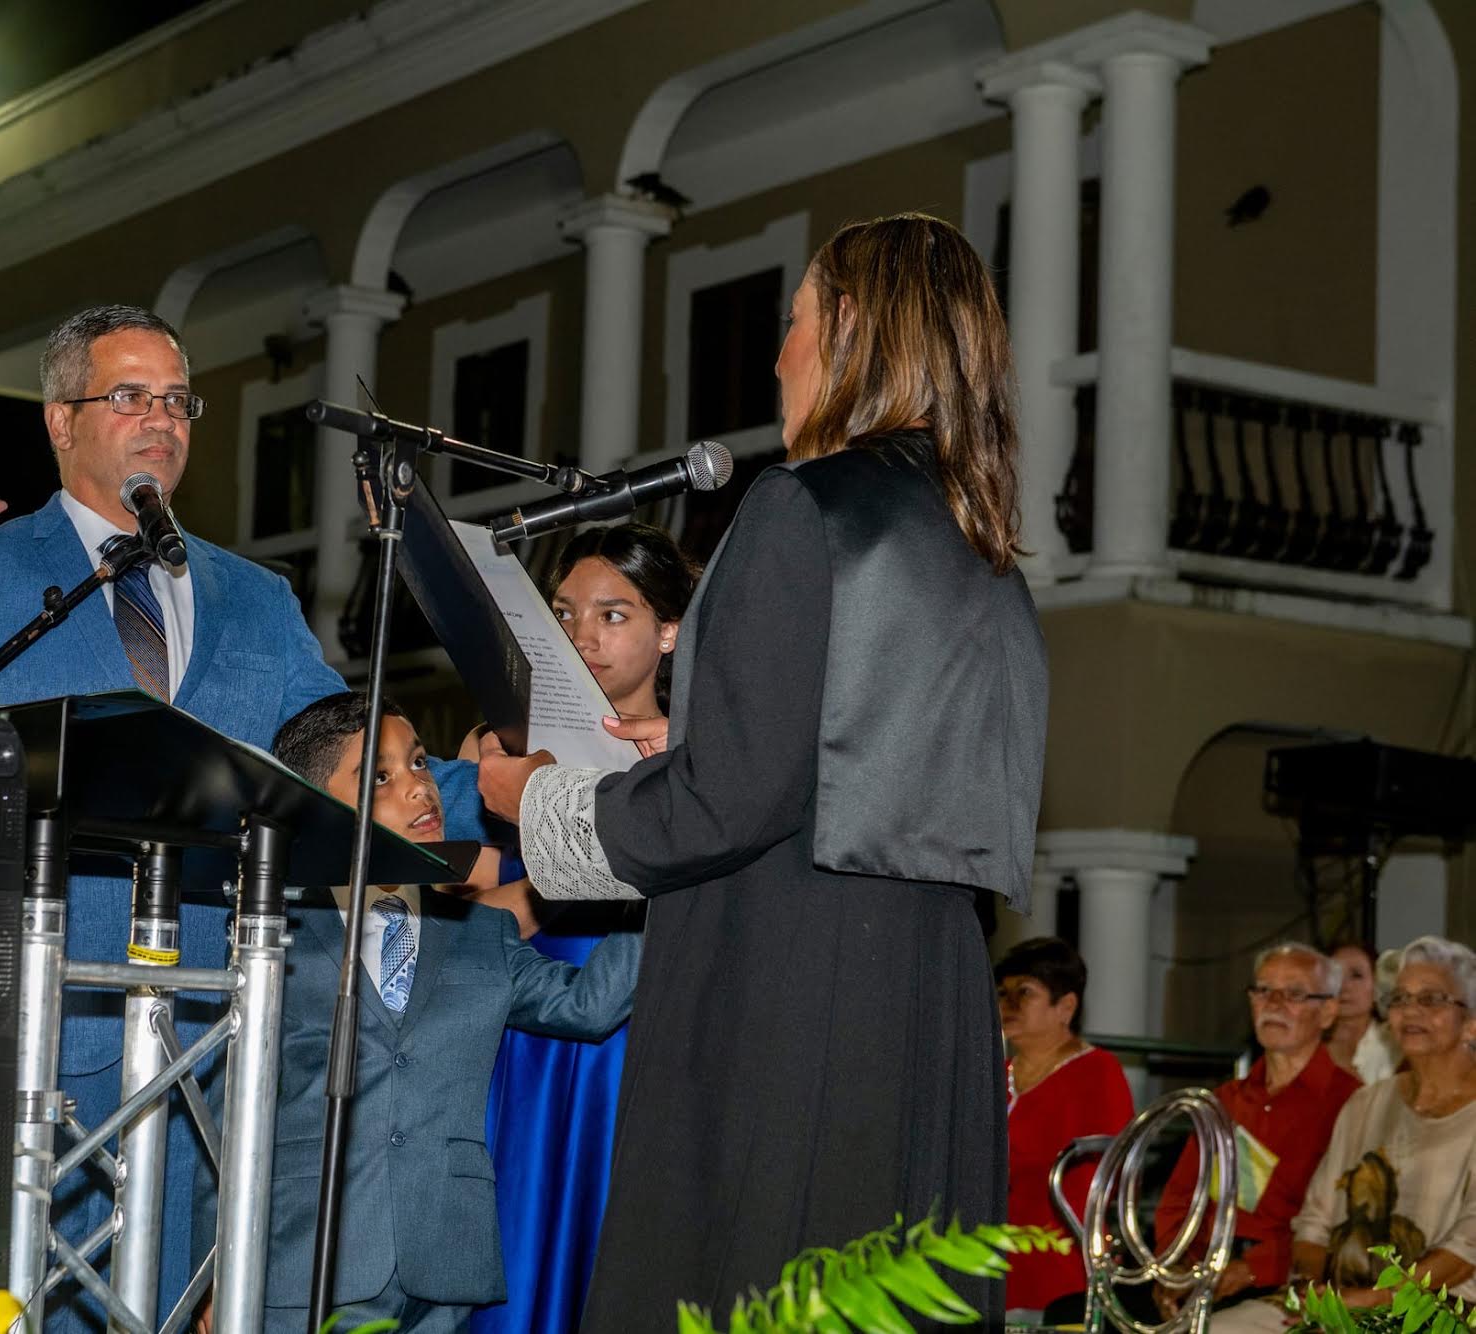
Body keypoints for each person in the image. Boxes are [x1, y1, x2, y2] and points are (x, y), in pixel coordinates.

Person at [0, 305, 484, 1330]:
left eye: (177, 400)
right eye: (128, 396)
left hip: (213, 1050)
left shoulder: (255, 599)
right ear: (61, 420)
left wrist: (504, 794)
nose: (162, 420)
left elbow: (347, 761)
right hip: (34, 1038)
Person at [476, 212, 1048, 1331]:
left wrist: (534, 797)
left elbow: (729, 802)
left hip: (791, 987)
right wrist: (695, 747)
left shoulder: (803, 506)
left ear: (850, 336)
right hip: (925, 990)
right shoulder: (978, 544)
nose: (780, 354)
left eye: (794, 322)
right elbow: (847, 768)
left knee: (750, 1275)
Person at [189, 692, 641, 1334]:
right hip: (302, 1263)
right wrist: (211, 1274)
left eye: (422, 764)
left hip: (443, 1265)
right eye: (380, 775)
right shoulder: (274, 934)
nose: (419, 788)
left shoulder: (479, 933)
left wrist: (646, 877)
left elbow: (589, 1008)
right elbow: (227, 1124)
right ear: (314, 803)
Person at [473, 523, 699, 1334]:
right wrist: (545, 891)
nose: (582, 638)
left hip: (640, 1047)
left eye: (613, 615)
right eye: (565, 615)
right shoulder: (502, 748)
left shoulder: (695, 768)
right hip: (519, 1043)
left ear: (668, 630)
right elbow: (450, 916)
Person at [1209, 936, 1476, 1331]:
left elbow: (1468, 1245)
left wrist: (1374, 1301)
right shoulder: (1365, 1104)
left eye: (1432, 999)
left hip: (1440, 1311)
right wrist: (1324, 1295)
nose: (1410, 1011)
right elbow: (1315, 1220)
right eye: (1399, 999)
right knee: (1216, 1328)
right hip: (1345, 1298)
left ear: (1471, 1022)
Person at [1152, 943, 1360, 1320]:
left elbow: (1341, 1226)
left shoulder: (1351, 1103)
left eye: (1294, 993)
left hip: (1288, 1281)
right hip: (1206, 1271)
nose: (1274, 1003)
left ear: (1328, 1011)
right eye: (1263, 990)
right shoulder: (1224, 1101)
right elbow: (1180, 1198)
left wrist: (1250, 1270)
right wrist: (1178, 1268)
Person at [995, 938, 1133, 1324]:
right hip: (987, 1260)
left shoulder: (1097, 1072)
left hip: (1060, 1268)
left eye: (1024, 993)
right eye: (1003, 993)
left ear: (1066, 1006)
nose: (1008, 1005)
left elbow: (1100, 1179)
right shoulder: (995, 1073)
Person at [1326, 939, 1400, 1084]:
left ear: (1376, 985)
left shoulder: (1396, 1043)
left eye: (1356, 976)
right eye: (1335, 976)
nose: (1344, 986)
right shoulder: (1306, 1042)